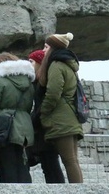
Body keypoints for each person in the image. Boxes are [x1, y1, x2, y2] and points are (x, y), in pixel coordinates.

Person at [38, 32, 84, 183]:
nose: (43, 51)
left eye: (46, 47)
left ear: (53, 48)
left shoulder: (56, 65)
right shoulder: (69, 65)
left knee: (69, 161)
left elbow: (53, 92)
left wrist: (43, 111)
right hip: (70, 117)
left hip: (61, 119)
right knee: (73, 160)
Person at [0, 52, 35, 183]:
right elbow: (29, 106)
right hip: (25, 124)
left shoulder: (0, 81)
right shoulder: (29, 82)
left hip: (5, 125)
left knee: (7, 164)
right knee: (22, 163)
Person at [26, 47, 65, 183]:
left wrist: (33, 119)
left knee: (51, 164)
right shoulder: (37, 81)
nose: (29, 65)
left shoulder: (44, 81)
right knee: (48, 164)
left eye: (31, 61)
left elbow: (45, 104)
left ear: (38, 63)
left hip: (45, 128)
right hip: (42, 127)